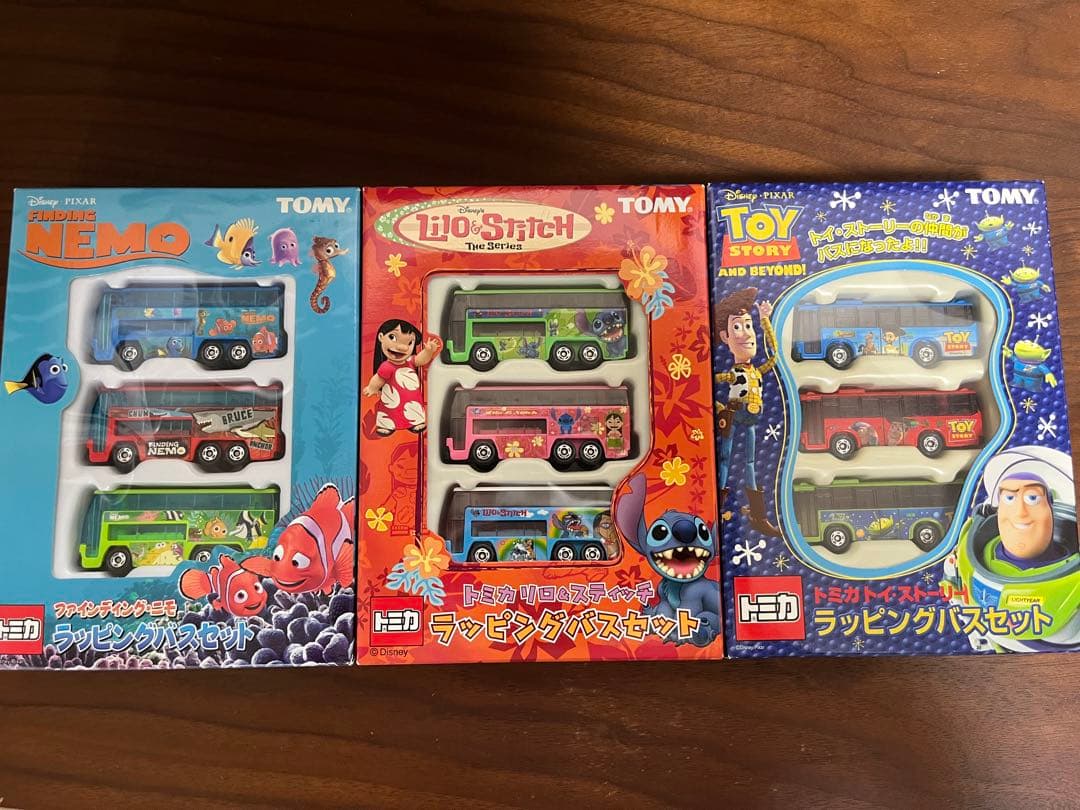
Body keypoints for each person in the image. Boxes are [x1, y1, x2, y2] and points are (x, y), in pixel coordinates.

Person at [713, 287, 779, 535]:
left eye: (748, 325)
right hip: (733, 414)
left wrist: (765, 321)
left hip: (751, 418)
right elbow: (711, 379)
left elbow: (774, 356)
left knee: (750, 463)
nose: (746, 333)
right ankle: (718, 509)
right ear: (725, 336)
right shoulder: (733, 373)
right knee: (725, 460)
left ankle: (758, 516)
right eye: (737, 327)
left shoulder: (756, 371)